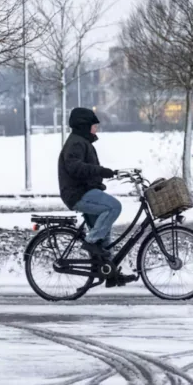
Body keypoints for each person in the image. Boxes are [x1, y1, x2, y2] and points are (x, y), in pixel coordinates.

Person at [58, 107, 136, 286]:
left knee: (104, 235)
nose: (96, 128)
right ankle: (91, 241)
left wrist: (108, 174)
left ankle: (109, 273)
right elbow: (74, 167)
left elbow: (87, 169)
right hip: (77, 194)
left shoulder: (82, 142)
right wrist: (101, 171)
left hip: (84, 191)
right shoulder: (76, 143)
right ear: (84, 125)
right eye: (94, 125)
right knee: (113, 207)